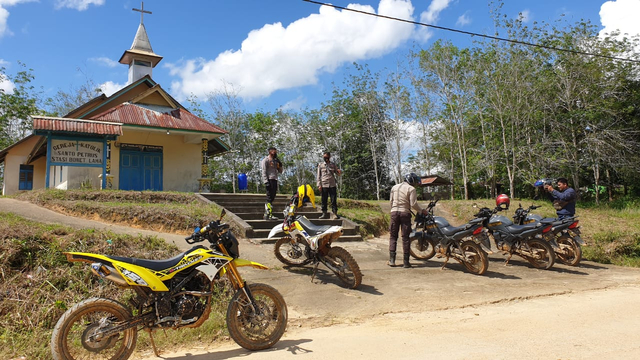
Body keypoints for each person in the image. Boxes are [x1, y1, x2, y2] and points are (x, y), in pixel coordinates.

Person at [388, 173, 428, 268]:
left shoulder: (394, 187)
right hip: (405, 213)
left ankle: (392, 260)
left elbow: (391, 201)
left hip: (394, 213)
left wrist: (393, 210)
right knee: (405, 238)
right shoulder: (411, 189)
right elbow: (413, 204)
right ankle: (406, 262)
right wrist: (422, 211)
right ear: (412, 181)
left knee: (393, 236)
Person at [316, 151, 342, 219]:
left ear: (329, 157)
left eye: (327, 157)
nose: (325, 158)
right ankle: (324, 213)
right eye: (324, 157)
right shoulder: (320, 165)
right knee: (324, 200)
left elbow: (338, 174)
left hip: (332, 184)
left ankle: (335, 213)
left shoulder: (333, 165)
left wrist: (339, 172)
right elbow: (318, 176)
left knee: (333, 200)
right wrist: (319, 185)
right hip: (324, 184)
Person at [261, 147, 283, 220]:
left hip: (275, 179)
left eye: (275, 151)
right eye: (273, 151)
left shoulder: (275, 161)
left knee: (272, 197)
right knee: (269, 197)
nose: (275, 153)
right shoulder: (265, 160)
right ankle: (267, 214)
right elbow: (263, 171)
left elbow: (280, 171)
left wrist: (280, 165)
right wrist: (266, 181)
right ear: (270, 152)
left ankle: (268, 213)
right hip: (269, 180)